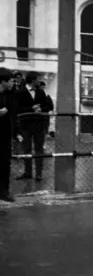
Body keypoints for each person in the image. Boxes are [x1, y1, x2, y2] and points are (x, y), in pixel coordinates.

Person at [15, 72, 53, 182]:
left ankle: (39, 173)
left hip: (39, 125)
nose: (39, 81)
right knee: (26, 149)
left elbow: (47, 106)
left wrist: (41, 109)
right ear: (32, 80)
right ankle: (27, 172)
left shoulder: (41, 92)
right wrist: (31, 108)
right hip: (25, 125)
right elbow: (18, 109)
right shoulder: (20, 92)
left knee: (39, 149)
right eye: (38, 79)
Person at [0, 68, 22, 202]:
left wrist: (17, 132)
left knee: (5, 165)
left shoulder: (10, 96)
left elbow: (14, 116)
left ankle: (4, 192)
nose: (13, 83)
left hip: (5, 136)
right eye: (11, 81)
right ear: (3, 81)